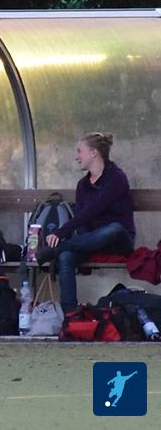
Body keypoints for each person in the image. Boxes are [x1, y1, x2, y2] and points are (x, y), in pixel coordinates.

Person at [37, 132, 135, 311]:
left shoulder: (116, 177)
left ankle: (57, 249)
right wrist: (78, 242)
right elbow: (82, 219)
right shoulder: (83, 185)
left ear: (93, 153)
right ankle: (70, 314)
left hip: (118, 242)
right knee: (66, 257)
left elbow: (94, 209)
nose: (76, 157)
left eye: (79, 151)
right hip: (91, 242)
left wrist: (61, 233)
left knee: (113, 228)